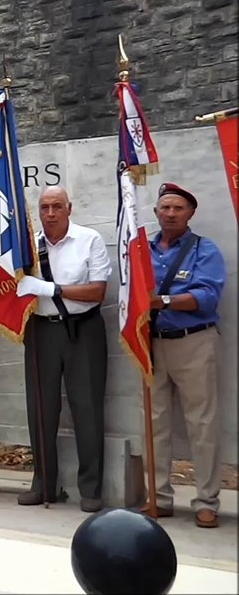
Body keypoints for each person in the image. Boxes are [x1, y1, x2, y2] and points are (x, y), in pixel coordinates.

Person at [15, 185, 110, 512]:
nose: (51, 213)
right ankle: (43, 484)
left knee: (87, 409)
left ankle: (91, 488)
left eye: (57, 206)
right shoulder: (29, 247)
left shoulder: (89, 240)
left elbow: (97, 291)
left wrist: (51, 288)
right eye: (45, 207)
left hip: (83, 330)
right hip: (41, 330)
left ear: (69, 208)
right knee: (40, 410)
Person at [143, 183, 226, 529]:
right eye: (165, 208)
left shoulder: (205, 250)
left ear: (191, 213)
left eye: (178, 208)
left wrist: (162, 301)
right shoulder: (141, 250)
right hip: (151, 344)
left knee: (202, 424)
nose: (171, 214)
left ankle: (206, 501)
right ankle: (159, 498)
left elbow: (206, 297)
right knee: (155, 423)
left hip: (193, 342)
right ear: (156, 212)